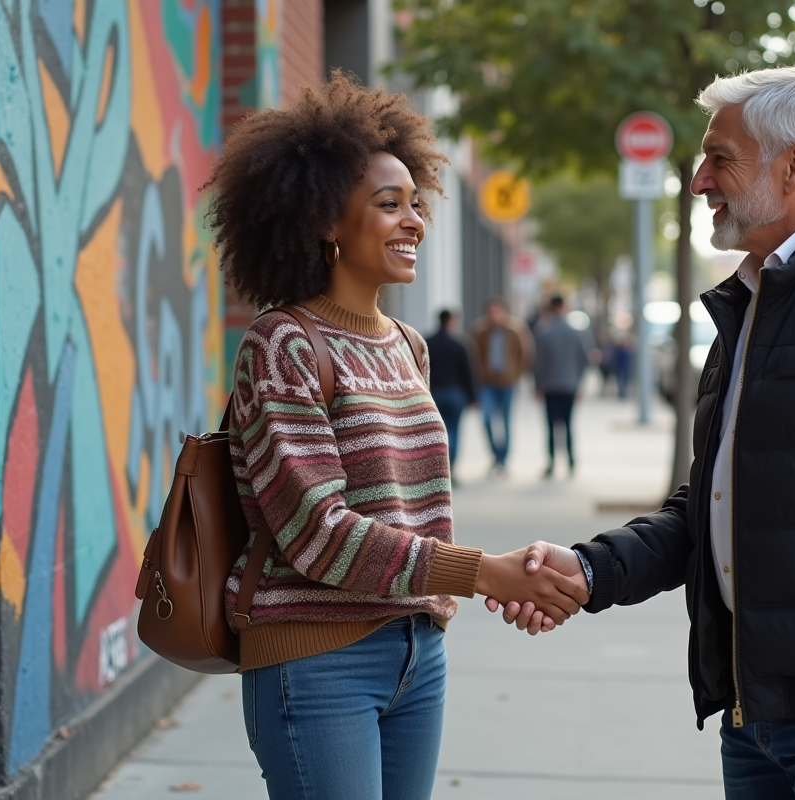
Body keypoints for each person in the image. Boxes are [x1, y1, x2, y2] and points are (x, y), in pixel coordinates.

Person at [489, 67, 795, 800]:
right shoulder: (752, 302)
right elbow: (718, 501)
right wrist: (589, 570)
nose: (698, 180)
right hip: (754, 711)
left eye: (720, 157)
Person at [204, 73, 587, 800]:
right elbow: (317, 534)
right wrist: (483, 573)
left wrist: (474, 584)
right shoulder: (283, 344)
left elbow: (413, 512)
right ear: (325, 221)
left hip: (418, 653)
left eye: (416, 203)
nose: (414, 221)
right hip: (316, 663)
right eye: (389, 205)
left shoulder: (407, 345)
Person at [471, 297, 533, 475]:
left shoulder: (515, 329)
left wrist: (517, 375)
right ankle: (495, 454)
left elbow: (525, 353)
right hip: (487, 383)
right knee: (487, 418)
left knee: (506, 421)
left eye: (496, 312)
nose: (494, 316)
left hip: (508, 383)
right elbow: (474, 355)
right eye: (490, 312)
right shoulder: (480, 330)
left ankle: (503, 460)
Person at [532, 295, 589, 478]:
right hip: (570, 386)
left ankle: (551, 462)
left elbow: (538, 363)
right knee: (568, 425)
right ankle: (571, 461)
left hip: (550, 386)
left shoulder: (544, 333)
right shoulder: (576, 332)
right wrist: (579, 382)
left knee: (550, 427)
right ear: (564, 308)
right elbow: (584, 359)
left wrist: (538, 385)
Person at [426, 308, 477, 474]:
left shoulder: (428, 342)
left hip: (434, 393)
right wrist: (473, 397)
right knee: (454, 430)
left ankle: (438, 468)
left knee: (436, 432)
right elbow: (468, 372)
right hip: (456, 393)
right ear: (451, 322)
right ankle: (450, 467)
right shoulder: (460, 344)